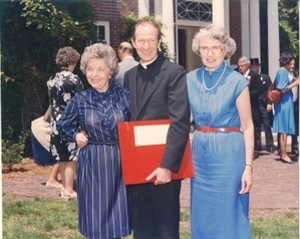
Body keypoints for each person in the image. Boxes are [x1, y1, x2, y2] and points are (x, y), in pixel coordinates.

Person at [124, 19, 190, 239]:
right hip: (137, 166)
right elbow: (125, 119)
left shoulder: (175, 72)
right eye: (141, 40)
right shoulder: (129, 76)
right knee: (142, 228)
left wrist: (167, 166)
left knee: (166, 229)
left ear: (159, 41)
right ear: (133, 42)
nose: (146, 46)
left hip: (164, 165)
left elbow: (180, 122)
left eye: (151, 40)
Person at [57, 43, 131, 239]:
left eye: (100, 69)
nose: (94, 74)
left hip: (119, 164)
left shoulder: (124, 96)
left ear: (110, 72)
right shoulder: (80, 99)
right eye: (90, 69)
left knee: (117, 221)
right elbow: (62, 124)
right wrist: (76, 135)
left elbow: (137, 124)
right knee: (94, 221)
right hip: (92, 163)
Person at [187, 24, 254, 238]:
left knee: (229, 212)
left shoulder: (237, 81)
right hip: (200, 159)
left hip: (229, 158)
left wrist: (248, 167)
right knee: (202, 214)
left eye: (215, 47)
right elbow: (181, 120)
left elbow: (248, 126)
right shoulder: (190, 79)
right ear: (198, 50)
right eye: (204, 47)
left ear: (225, 50)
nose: (209, 53)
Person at [47, 46, 84, 198]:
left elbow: (51, 103)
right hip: (70, 122)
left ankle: (64, 187)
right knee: (71, 157)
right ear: (73, 60)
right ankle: (69, 189)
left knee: (61, 156)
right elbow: (81, 101)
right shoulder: (74, 79)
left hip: (56, 122)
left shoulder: (51, 80)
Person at [273, 52, 300, 163]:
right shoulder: (283, 72)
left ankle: (283, 152)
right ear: (285, 63)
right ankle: (283, 154)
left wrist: (293, 81)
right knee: (283, 128)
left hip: (286, 102)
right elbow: (282, 89)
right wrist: (295, 83)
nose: (292, 66)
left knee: (284, 129)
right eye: (290, 64)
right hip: (284, 103)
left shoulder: (284, 72)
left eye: (293, 64)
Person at [238, 56, 264, 159]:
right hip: (241, 107)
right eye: (239, 65)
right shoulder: (238, 75)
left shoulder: (254, 75)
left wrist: (248, 94)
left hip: (253, 106)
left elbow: (260, 89)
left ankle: (256, 149)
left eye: (242, 65)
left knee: (255, 128)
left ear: (247, 65)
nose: (240, 67)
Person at [250, 58, 275, 153]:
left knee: (267, 124)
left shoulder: (265, 77)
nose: (254, 69)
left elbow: (270, 91)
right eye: (252, 67)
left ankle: (270, 145)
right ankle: (257, 145)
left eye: (255, 67)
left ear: (258, 67)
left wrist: (269, 103)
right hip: (255, 105)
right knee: (255, 125)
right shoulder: (250, 78)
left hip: (264, 104)